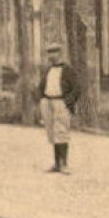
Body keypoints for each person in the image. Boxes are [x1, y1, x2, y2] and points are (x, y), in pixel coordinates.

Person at [36, 43, 81, 173]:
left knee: (61, 132)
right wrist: (42, 99)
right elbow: (41, 86)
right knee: (52, 133)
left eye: (54, 52)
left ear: (60, 53)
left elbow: (77, 88)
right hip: (48, 102)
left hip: (61, 102)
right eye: (49, 52)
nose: (51, 55)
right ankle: (56, 164)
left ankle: (64, 164)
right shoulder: (48, 70)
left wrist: (68, 102)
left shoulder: (68, 70)